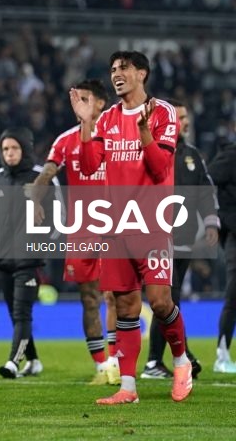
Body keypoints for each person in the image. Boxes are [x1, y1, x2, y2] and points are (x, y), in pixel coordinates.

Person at [71, 50, 192, 404]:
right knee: (124, 306)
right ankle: (128, 388)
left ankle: (181, 362)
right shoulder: (107, 117)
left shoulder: (162, 112)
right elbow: (91, 164)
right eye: (112, 70)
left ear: (142, 73)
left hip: (151, 221)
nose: (116, 74)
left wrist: (145, 135)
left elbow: (159, 168)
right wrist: (86, 122)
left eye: (123, 68)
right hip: (116, 226)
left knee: (159, 301)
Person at [29, 79, 119, 386]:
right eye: (75, 98)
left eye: (84, 98)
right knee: (90, 297)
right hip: (83, 229)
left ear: (100, 103)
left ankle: (120, 360)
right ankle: (102, 365)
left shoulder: (116, 135)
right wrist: (36, 198)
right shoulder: (66, 140)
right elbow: (49, 169)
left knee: (115, 294)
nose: (77, 103)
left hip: (118, 224)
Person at [141, 99, 218, 380]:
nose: (183, 123)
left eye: (185, 118)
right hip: (156, 238)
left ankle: (170, 357)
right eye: (179, 117)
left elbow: (205, 192)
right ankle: (156, 361)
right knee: (165, 299)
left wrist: (210, 221)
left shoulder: (191, 155)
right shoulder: (151, 150)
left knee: (171, 301)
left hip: (184, 240)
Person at [0, 127, 54, 379]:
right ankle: (33, 360)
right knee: (15, 313)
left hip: (30, 260)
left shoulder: (42, 177)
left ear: (24, 150)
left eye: (14, 148)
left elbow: (60, 215)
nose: (9, 153)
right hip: (3, 260)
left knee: (22, 312)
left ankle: (13, 362)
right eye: (5, 149)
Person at [205, 139, 236, 373]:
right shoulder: (231, 155)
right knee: (234, 294)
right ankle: (222, 355)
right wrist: (224, 218)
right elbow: (207, 178)